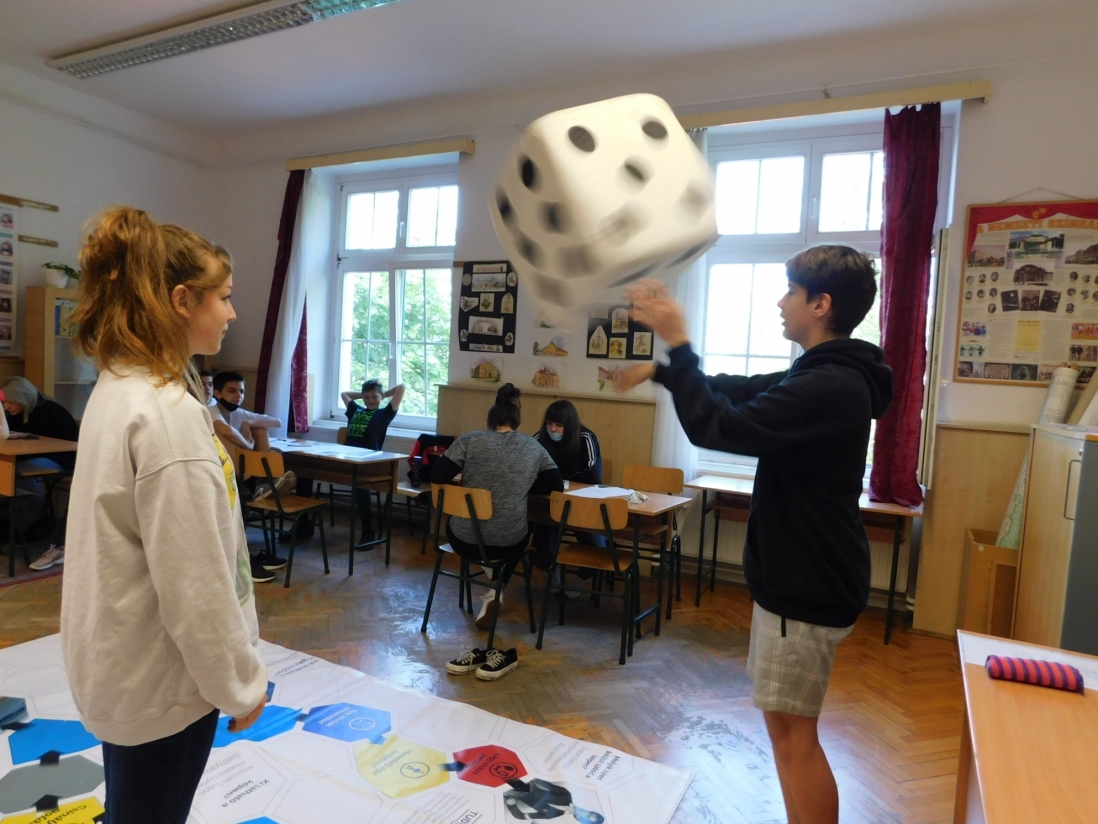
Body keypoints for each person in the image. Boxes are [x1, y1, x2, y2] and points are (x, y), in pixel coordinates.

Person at [616, 246, 893, 824]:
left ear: (820, 304)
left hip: (805, 584)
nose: (780, 302)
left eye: (791, 290)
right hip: (809, 576)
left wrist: (680, 345)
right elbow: (741, 388)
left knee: (793, 740)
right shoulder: (825, 372)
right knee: (789, 732)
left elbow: (720, 425)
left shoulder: (830, 385)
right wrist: (665, 371)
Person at [60, 206, 268, 824]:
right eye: (223, 298)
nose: (232, 314)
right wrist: (240, 684)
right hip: (161, 679)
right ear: (182, 300)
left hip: (125, 662)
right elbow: (195, 582)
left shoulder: (119, 385)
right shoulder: (164, 412)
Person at [430, 383, 563, 680]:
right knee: (518, 531)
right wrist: (522, 482)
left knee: (465, 526)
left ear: (488, 423)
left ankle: (490, 575)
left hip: (464, 540)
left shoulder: (470, 439)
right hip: (508, 542)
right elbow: (556, 484)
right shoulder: (533, 446)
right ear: (518, 426)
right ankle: (496, 584)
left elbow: (437, 475)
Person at [2, 376, 80, 572]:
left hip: (61, 459)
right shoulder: (16, 413)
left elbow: (51, 447)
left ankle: (36, 519)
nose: (7, 407)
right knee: (12, 472)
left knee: (22, 474)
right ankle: (18, 521)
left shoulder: (51, 412)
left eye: (11, 402)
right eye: (4, 402)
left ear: (24, 397)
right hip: (31, 457)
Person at [530, 400, 606, 572]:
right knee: (542, 546)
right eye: (549, 424)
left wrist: (558, 478)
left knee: (596, 550)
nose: (553, 429)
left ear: (570, 426)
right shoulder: (539, 438)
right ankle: (550, 572)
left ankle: (584, 577)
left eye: (559, 425)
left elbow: (592, 475)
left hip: (583, 503)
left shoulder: (585, 438)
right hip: (551, 503)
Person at [211, 370, 294, 503]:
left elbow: (277, 422)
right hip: (215, 463)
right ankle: (257, 483)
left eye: (242, 392)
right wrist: (248, 446)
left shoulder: (239, 413)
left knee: (260, 430)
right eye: (232, 391)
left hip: (240, 464)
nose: (238, 396)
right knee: (220, 435)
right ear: (217, 394)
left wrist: (248, 423)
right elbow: (227, 431)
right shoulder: (211, 410)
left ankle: (262, 481)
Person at [340, 378, 404, 542]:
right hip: (347, 458)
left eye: (374, 397)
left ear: (381, 397)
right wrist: (365, 394)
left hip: (367, 462)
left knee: (360, 488)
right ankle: (304, 524)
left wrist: (383, 394)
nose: (370, 400)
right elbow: (344, 394)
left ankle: (368, 531)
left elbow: (401, 387)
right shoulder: (355, 409)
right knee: (306, 471)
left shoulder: (385, 414)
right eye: (367, 397)